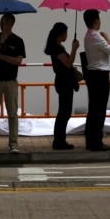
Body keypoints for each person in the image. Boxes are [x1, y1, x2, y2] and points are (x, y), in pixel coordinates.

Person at [0, 14, 25, 154]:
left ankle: (13, 143)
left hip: (11, 81)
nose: (4, 25)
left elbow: (18, 61)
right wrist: (0, 43)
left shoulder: (18, 41)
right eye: (2, 22)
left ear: (12, 24)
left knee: (13, 113)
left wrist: (1, 57)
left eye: (7, 22)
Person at [83, 9, 110, 151]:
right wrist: (108, 37)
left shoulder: (88, 35)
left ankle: (91, 140)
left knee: (94, 108)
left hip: (92, 74)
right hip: (100, 75)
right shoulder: (96, 36)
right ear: (96, 20)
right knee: (100, 109)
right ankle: (96, 141)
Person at [44, 22, 79, 150]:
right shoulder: (57, 48)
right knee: (64, 112)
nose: (67, 35)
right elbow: (69, 64)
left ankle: (60, 139)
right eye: (66, 32)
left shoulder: (58, 47)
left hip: (63, 81)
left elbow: (69, 62)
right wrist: (74, 48)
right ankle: (59, 140)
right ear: (61, 33)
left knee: (65, 111)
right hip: (64, 82)